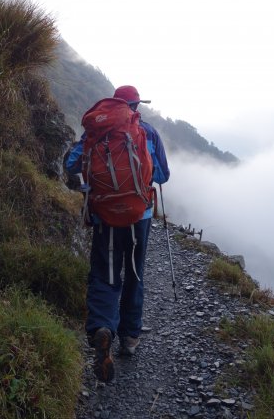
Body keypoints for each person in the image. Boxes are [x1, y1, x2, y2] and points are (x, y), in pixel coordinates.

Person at [65, 85, 170, 382]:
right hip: (140, 215)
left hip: (105, 216)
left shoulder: (95, 132)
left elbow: (71, 164)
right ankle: (130, 338)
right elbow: (162, 175)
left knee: (105, 274)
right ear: (136, 106)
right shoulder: (147, 132)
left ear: (112, 106)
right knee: (135, 273)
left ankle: (102, 328)